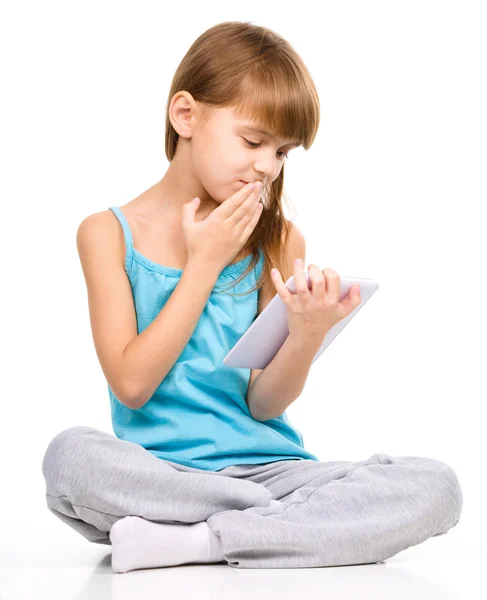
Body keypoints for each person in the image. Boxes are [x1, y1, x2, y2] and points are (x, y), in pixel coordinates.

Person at [41, 21, 463, 574]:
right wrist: (205, 262)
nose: (267, 167)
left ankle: (199, 542)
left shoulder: (281, 240)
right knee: (69, 458)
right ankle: (286, 527)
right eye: (253, 141)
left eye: (282, 152)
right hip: (161, 474)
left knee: (437, 487)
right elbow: (133, 384)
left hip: (272, 471)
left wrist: (306, 336)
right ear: (186, 115)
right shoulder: (107, 233)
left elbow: (264, 405)